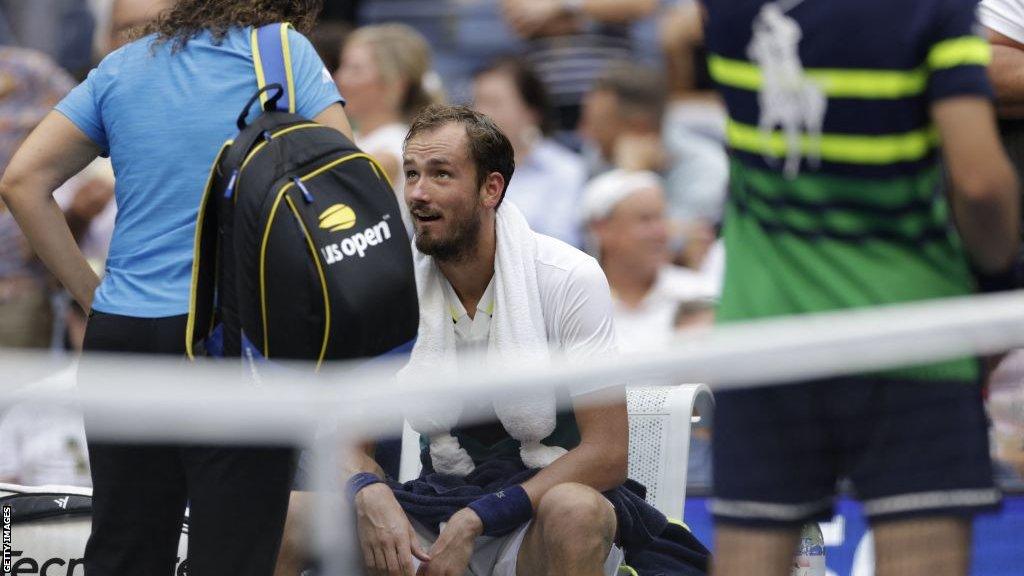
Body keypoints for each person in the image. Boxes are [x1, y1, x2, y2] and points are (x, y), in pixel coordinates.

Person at [0, 1, 353, 574]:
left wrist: (94, 296)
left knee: (123, 551)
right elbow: (343, 182)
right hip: (237, 338)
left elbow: (21, 183)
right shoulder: (282, 52)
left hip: (125, 339)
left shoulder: (122, 65)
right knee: (232, 556)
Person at [702, 1, 1019, 576]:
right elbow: (979, 184)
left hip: (766, 344)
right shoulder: (934, 10)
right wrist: (999, 275)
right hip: (914, 346)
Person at [579, 62, 727, 267]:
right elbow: (587, 239)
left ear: (637, 128)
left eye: (596, 124)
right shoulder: (596, 153)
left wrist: (632, 176)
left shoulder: (707, 167)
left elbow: (656, 247)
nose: (584, 133)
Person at [581, 168, 718, 353]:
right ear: (602, 229)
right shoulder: (577, 304)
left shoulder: (700, 293)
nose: (661, 232)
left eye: (661, 218)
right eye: (645, 220)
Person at [335, 23, 440, 233]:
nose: (339, 78)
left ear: (394, 84)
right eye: (342, 66)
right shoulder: (354, 136)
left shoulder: (399, 144)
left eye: (354, 69)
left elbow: (340, 183)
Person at [472, 57, 587, 246]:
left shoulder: (565, 169)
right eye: (477, 101)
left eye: (494, 103)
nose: (480, 113)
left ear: (531, 112)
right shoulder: (464, 165)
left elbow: (560, 242)